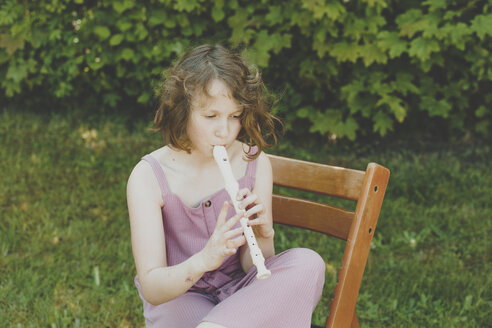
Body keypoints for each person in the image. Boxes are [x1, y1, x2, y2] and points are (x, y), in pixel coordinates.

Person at [126, 44, 325, 328]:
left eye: (234, 116)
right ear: (183, 111)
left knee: (308, 262)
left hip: (242, 294)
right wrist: (206, 258)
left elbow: (255, 267)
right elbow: (153, 289)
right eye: (211, 116)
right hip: (180, 297)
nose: (225, 131)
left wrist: (263, 233)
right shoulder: (148, 176)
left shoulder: (253, 161)